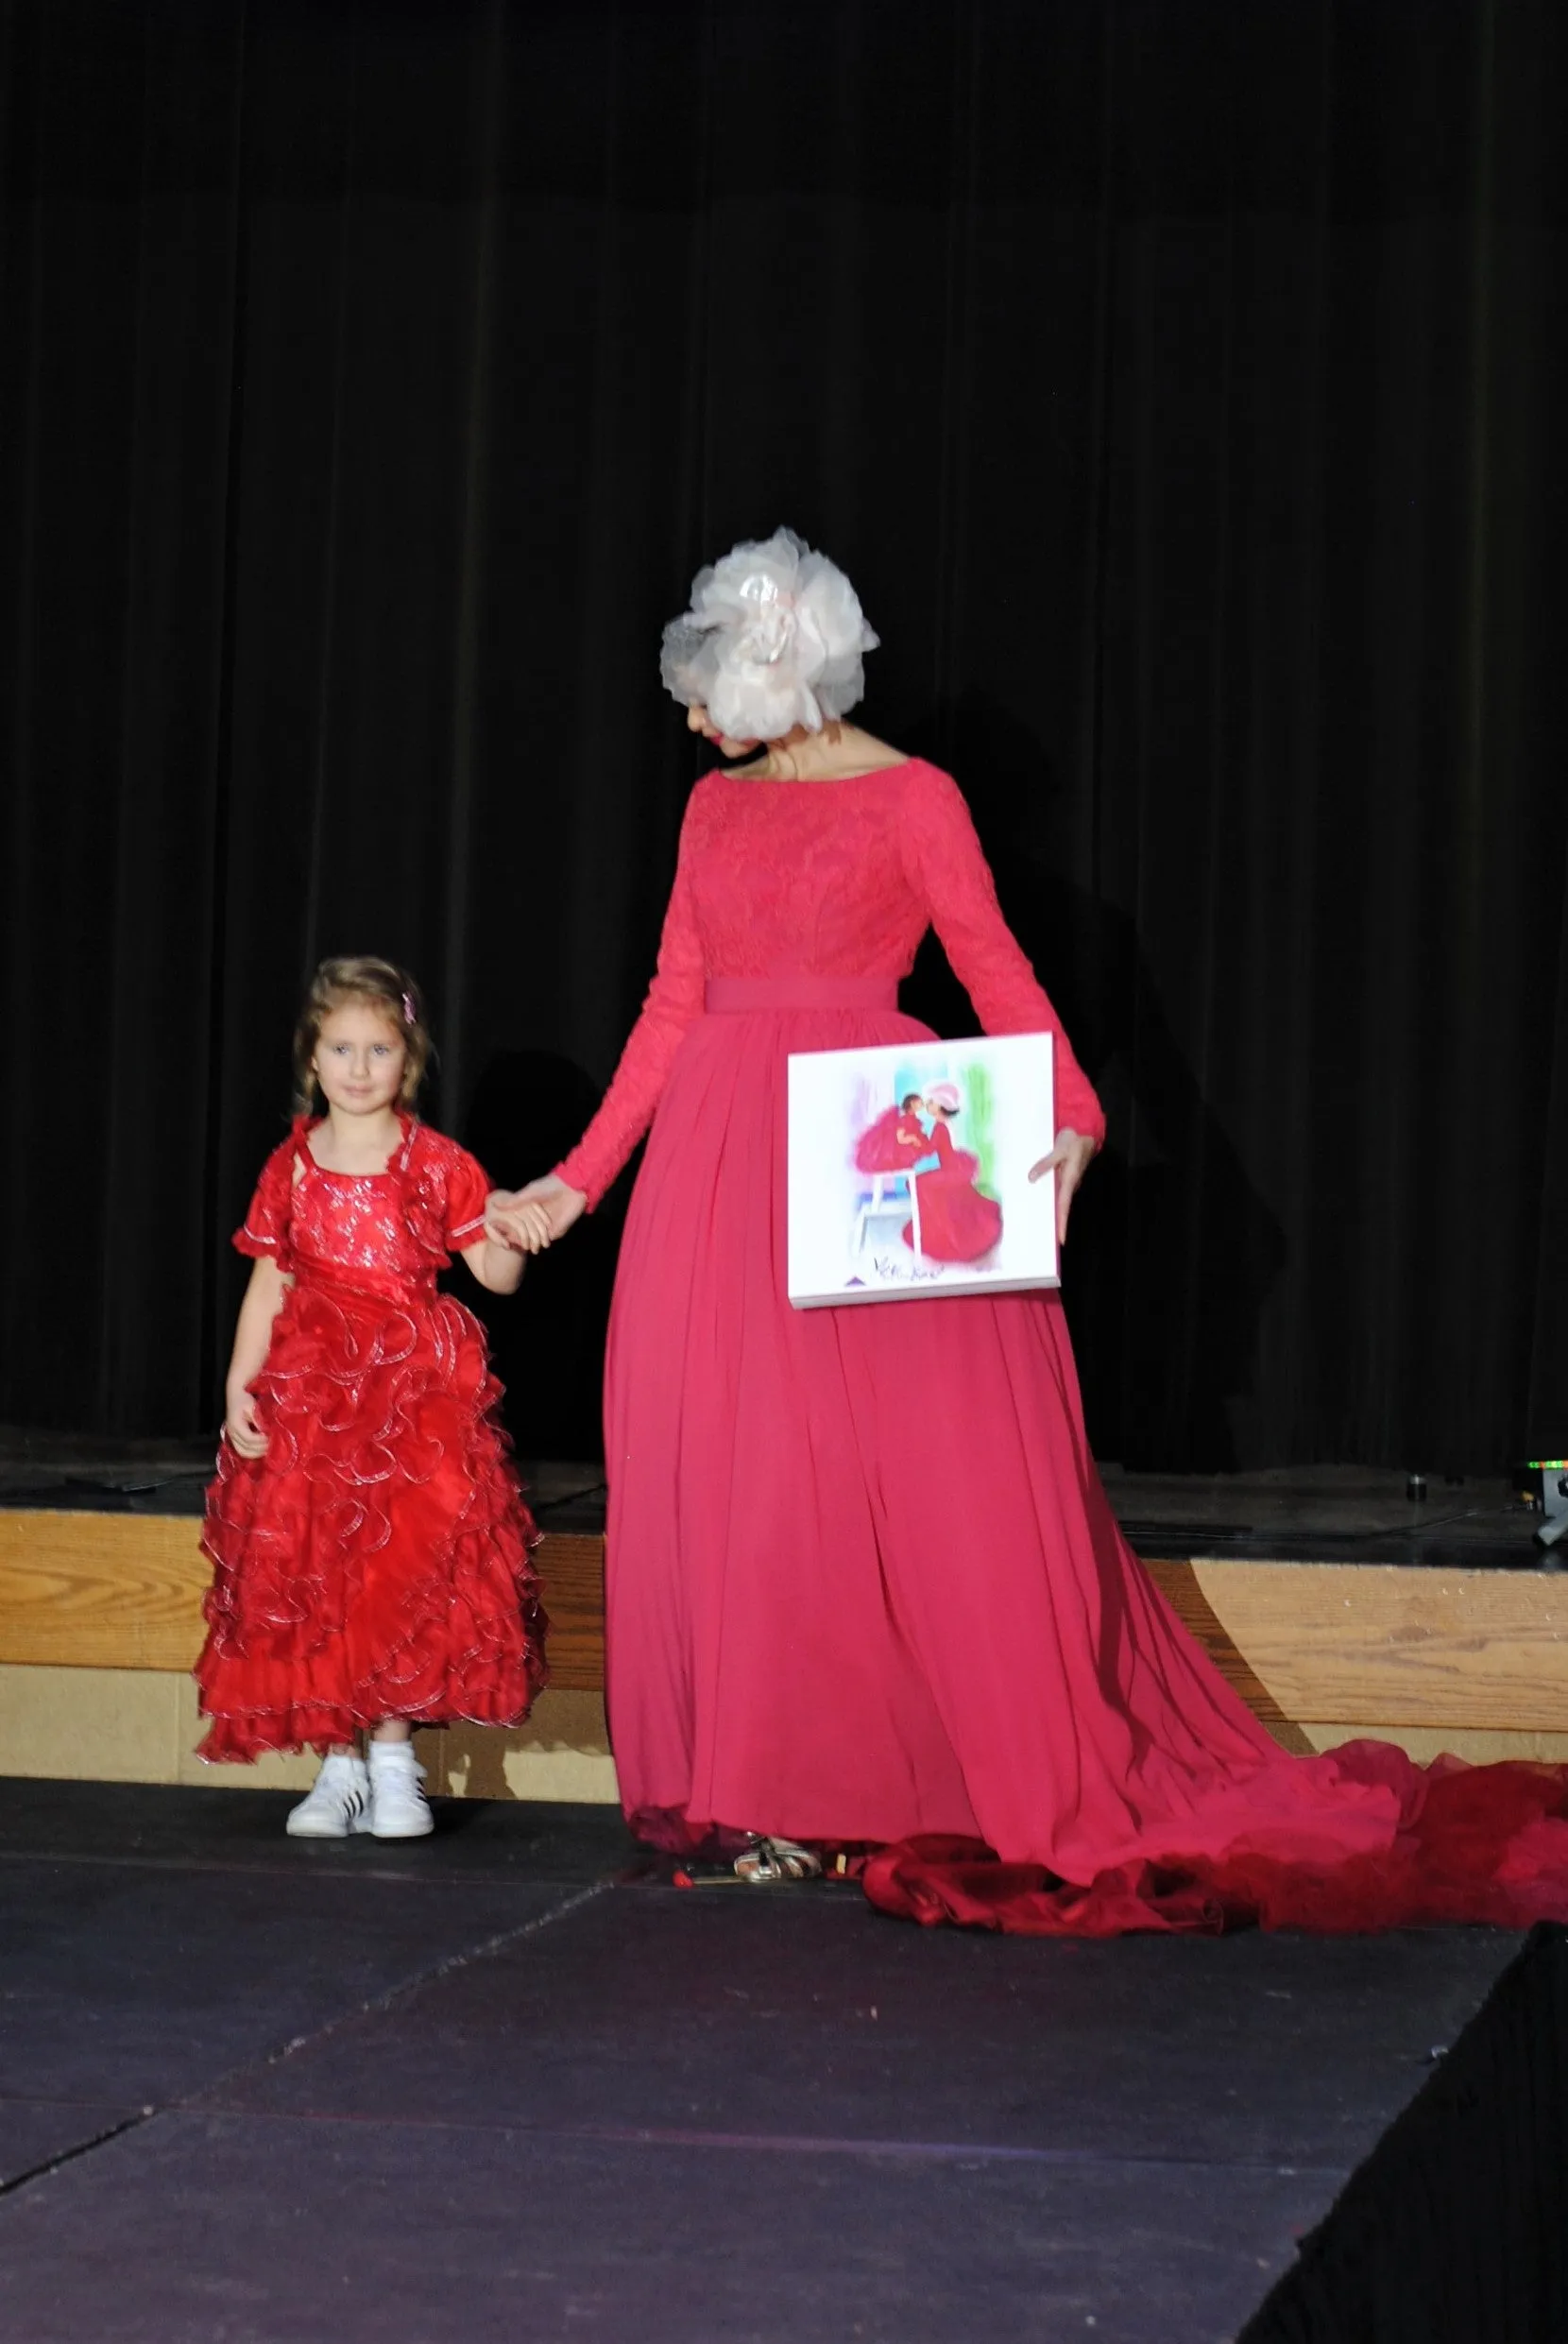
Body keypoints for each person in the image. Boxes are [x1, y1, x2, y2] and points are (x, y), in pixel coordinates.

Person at [489, 529, 1568, 1931]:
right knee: (741, 1476)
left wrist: (1069, 1108)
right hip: (714, 1160)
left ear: (776, 670)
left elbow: (995, 965)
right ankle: (768, 1788)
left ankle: (879, 1776)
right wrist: (573, 1185)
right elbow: (668, 1006)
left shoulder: (917, 799)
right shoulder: (713, 813)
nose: (692, 716)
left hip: (859, 1145)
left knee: (891, 1483)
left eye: (707, 682)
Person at [197, 956, 550, 1839]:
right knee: (319, 1575)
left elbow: (492, 1275)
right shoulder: (293, 1164)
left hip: (410, 1399)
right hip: (312, 1400)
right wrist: (242, 1382)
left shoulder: (435, 1162)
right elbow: (269, 1279)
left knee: (400, 1575)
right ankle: (340, 1765)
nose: (359, 1068)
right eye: (342, 1049)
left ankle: (395, 1763)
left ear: (410, 1058)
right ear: (312, 1059)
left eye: (379, 1049)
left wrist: (511, 1227)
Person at [902, 1083, 1002, 1263]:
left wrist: (915, 1142)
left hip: (951, 1168)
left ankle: (942, 1229)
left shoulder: (940, 1126)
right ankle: (941, 1224)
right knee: (939, 1191)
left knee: (919, 1185)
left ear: (941, 1106)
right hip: (953, 1165)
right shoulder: (944, 1124)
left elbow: (931, 1148)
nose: (927, 1105)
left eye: (931, 1102)